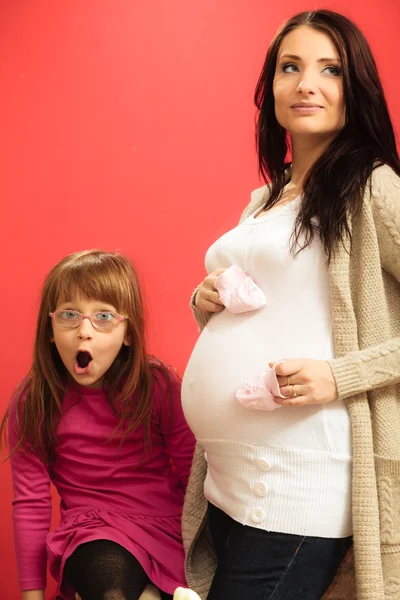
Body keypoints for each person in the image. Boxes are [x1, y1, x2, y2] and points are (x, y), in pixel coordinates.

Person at [180, 9, 400, 600]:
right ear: (270, 86)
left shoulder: (372, 185)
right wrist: (207, 300)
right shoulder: (268, 196)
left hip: (301, 483)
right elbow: (280, 303)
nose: (306, 83)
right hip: (231, 483)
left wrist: (339, 375)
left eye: (329, 69)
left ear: (356, 88)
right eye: (290, 67)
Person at [1, 249, 196, 600]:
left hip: (166, 530)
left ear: (128, 334)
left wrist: (208, 558)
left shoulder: (159, 388)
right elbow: (31, 504)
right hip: (90, 531)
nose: (84, 332)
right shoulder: (33, 402)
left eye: (104, 316)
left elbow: (193, 476)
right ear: (50, 329)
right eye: (69, 315)